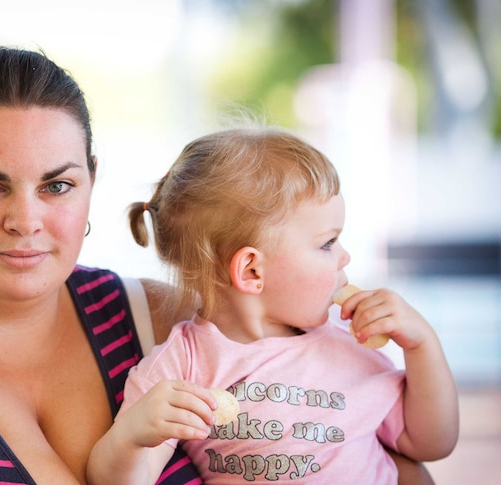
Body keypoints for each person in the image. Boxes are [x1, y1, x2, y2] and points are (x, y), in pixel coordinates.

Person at [0, 47, 437, 484]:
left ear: (90, 184)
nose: (25, 219)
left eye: (56, 185)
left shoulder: (159, 319)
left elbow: (391, 458)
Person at [86, 127, 459, 484]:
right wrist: (132, 436)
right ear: (251, 270)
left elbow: (429, 442)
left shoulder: (348, 343)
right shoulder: (179, 369)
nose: (344, 257)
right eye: (327, 243)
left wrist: (422, 345)